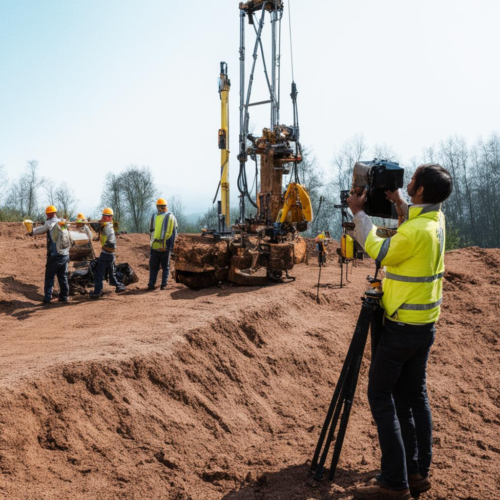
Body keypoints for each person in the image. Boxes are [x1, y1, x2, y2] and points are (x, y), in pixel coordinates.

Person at [347, 164, 453, 499]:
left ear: (420, 190)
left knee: (380, 396)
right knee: (414, 396)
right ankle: (418, 471)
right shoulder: (435, 221)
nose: (405, 184)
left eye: (411, 182)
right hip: (425, 326)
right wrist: (398, 205)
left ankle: (395, 483)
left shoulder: (414, 233)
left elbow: (378, 250)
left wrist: (359, 213)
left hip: (401, 327)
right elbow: (415, 224)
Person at [29, 205, 70, 304]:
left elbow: (40, 230)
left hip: (54, 256)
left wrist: (31, 232)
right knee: (63, 276)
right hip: (65, 254)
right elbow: (67, 230)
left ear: (47, 214)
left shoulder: (49, 223)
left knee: (50, 277)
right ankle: (64, 296)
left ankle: (47, 298)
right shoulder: (62, 222)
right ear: (55, 213)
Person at [89, 208, 126, 299]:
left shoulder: (108, 227)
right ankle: (119, 285)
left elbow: (110, 240)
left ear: (110, 217)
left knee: (98, 274)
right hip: (110, 254)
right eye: (103, 216)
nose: (103, 218)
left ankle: (97, 292)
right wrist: (93, 223)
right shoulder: (107, 225)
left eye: (105, 217)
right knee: (111, 273)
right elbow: (99, 228)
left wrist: (97, 225)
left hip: (106, 253)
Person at [147, 198, 177, 290]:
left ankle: (151, 284)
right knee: (165, 267)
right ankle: (163, 285)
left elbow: (151, 231)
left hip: (154, 246)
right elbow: (174, 233)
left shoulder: (153, 217)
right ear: (165, 207)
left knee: (153, 267)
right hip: (166, 246)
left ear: (158, 207)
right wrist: (172, 247)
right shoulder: (171, 217)